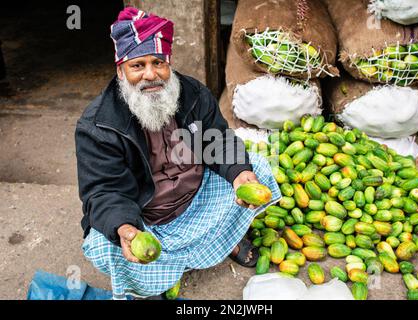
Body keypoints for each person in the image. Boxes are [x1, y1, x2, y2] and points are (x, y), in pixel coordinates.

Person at [75, 7, 280, 300]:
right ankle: (152, 282)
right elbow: (103, 190)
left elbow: (219, 141)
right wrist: (125, 227)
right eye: (138, 65)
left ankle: (227, 241)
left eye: (158, 62)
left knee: (253, 168)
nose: (150, 75)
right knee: (101, 242)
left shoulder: (193, 94)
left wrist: (240, 174)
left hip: (195, 197)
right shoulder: (98, 125)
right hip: (146, 216)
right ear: (120, 69)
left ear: (168, 63)